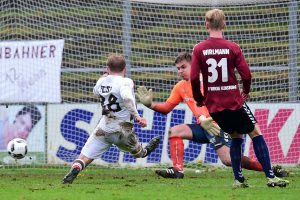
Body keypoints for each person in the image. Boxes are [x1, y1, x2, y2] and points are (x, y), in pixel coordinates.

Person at [136, 52, 288, 179]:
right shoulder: (180, 87)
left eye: (183, 67)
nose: (180, 71)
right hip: (203, 126)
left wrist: (203, 119)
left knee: (228, 161)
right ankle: (177, 170)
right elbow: (167, 107)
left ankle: (269, 169)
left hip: (218, 125)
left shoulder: (206, 81)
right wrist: (151, 105)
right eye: (178, 68)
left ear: (193, 66)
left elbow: (201, 105)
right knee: (174, 132)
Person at [190, 9, 289, 188]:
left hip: (214, 106)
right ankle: (271, 177)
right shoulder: (233, 47)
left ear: (206, 25)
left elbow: (194, 78)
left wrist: (199, 98)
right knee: (255, 133)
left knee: (236, 137)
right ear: (224, 24)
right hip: (234, 102)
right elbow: (246, 74)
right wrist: (246, 90)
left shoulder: (199, 49)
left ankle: (238, 180)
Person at [62, 54, 160, 184]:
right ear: (124, 69)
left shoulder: (101, 81)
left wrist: (103, 77)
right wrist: (138, 117)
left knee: (84, 157)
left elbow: (95, 92)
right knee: (139, 153)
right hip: (123, 130)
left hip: (104, 128)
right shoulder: (126, 81)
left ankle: (76, 168)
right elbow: (126, 98)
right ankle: (146, 150)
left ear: (107, 68)